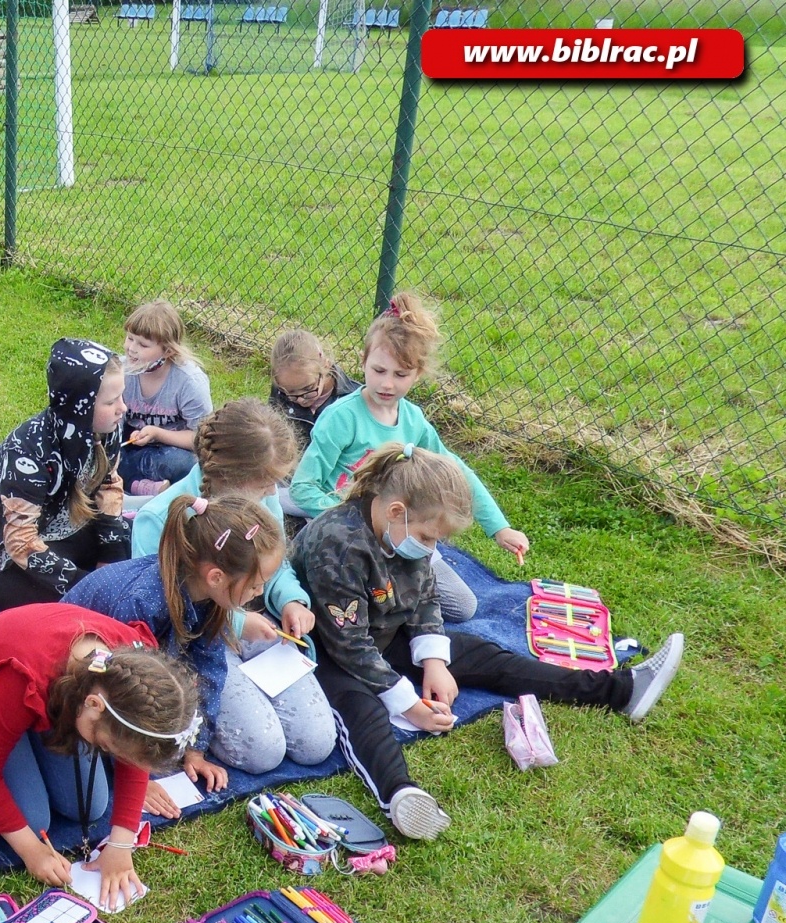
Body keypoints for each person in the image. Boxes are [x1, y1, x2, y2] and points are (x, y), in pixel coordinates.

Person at [291, 444, 685, 840]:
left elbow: (424, 595)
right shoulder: (338, 545)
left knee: (487, 657)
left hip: (379, 632)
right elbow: (348, 644)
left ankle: (619, 689)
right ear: (397, 512)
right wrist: (409, 706)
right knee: (361, 709)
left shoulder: (404, 531)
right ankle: (400, 795)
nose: (431, 549)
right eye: (429, 537)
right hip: (325, 649)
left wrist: (434, 661)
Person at [66, 494, 336, 808]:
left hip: (121, 674)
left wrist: (196, 747)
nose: (259, 593)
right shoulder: (142, 604)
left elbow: (209, 668)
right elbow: (118, 698)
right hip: (80, 682)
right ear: (216, 577)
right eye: (255, 585)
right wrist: (140, 779)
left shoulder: (208, 594)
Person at [289, 293, 528, 622]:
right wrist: (353, 518)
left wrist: (499, 528)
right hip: (346, 531)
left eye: (400, 375)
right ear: (363, 361)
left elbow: (455, 472)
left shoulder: (414, 422)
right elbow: (304, 487)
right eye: (379, 370)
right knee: (359, 609)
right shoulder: (341, 418)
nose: (387, 383)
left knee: (462, 607)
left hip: (398, 531)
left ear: (418, 373)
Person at [0, 605, 201, 911]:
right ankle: (20, 735)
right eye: (108, 748)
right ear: (93, 705)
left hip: (50, 701)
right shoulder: (25, 677)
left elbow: (135, 755)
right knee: (34, 821)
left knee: (90, 806)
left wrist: (121, 844)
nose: (114, 757)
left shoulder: (132, 675)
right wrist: (31, 852)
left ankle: (32, 735)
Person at [130, 402, 333, 781]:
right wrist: (236, 623)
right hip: (195, 645)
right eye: (263, 484)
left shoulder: (262, 498)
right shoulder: (159, 520)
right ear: (226, 476)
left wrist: (290, 598)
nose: (273, 492)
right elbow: (162, 617)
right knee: (262, 752)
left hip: (256, 623)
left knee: (316, 742)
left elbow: (274, 562)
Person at [0, 338, 129, 612]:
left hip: (59, 523)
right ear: (80, 405)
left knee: (123, 541)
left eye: (122, 397)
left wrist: (109, 561)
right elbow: (20, 541)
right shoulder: (30, 449)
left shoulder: (108, 429)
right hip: (5, 536)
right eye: (112, 401)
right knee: (51, 600)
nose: (123, 408)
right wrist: (85, 584)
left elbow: (109, 487)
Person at [116, 300, 213, 495]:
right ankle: (139, 485)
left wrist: (158, 434)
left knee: (188, 465)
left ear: (168, 351)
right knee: (100, 455)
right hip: (128, 446)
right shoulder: (120, 372)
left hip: (171, 451)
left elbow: (203, 438)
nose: (131, 348)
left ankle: (124, 482)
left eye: (143, 344)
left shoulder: (189, 382)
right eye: (130, 338)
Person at [267, 327, 359, 454]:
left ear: (325, 365)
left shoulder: (352, 397)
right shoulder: (280, 392)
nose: (300, 399)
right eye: (291, 392)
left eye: (308, 388)